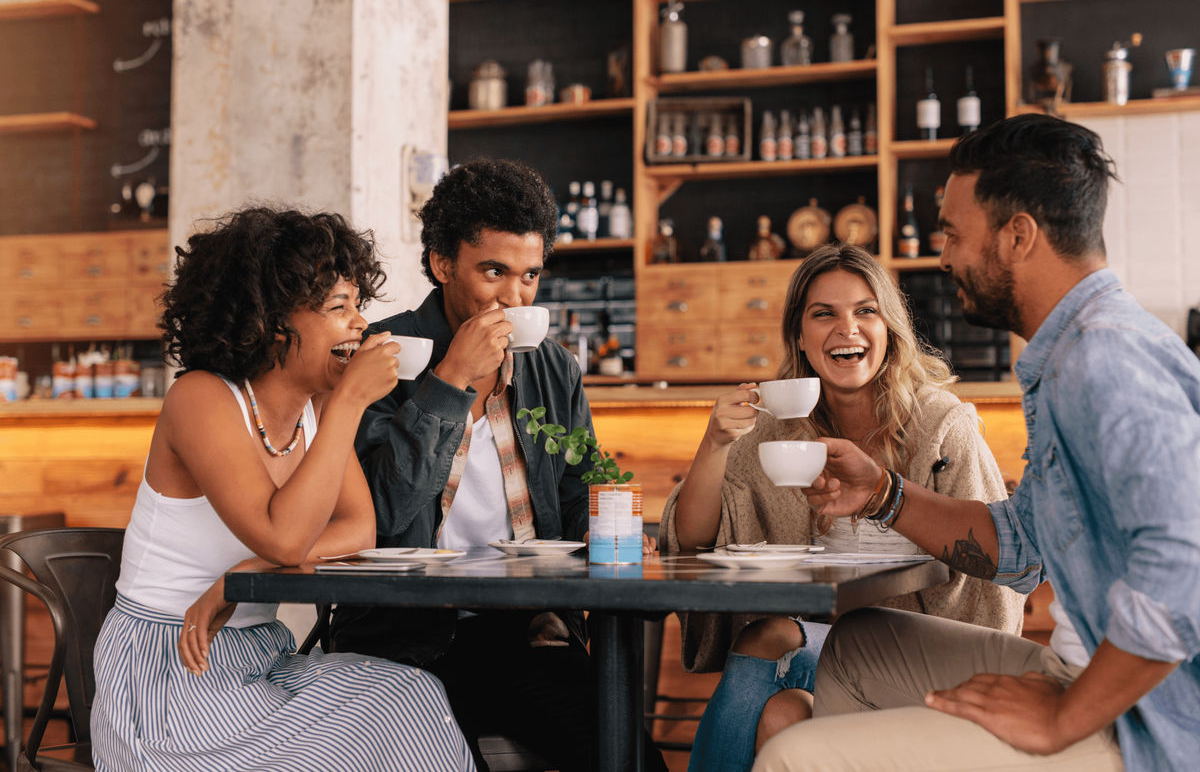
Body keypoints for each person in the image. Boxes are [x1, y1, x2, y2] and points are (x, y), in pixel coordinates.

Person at [755, 113, 1200, 772]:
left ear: (1017, 235)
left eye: (955, 234)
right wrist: (883, 493)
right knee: (857, 642)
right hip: (1093, 676)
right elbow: (1019, 549)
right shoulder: (1075, 349)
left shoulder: (1102, 360)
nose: (944, 256)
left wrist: (1061, 718)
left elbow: (1184, 565)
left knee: (792, 754)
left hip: (1147, 720)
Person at [90, 204, 474, 772]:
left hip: (259, 657)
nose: (360, 325)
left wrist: (240, 581)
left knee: (410, 696)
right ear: (271, 322)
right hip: (170, 672)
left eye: (358, 305)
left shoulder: (315, 407)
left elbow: (357, 529)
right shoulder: (200, 398)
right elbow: (286, 539)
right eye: (339, 308)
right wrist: (351, 400)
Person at [328, 158, 665, 772]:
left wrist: (600, 526)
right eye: (494, 272)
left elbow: (576, 491)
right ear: (441, 263)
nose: (515, 296)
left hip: (524, 634)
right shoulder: (384, 355)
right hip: (406, 639)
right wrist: (452, 378)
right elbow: (378, 514)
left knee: (629, 758)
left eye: (531, 275)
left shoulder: (553, 370)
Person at [661, 242, 1026, 772]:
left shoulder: (942, 426)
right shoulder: (777, 430)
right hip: (824, 656)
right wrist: (714, 443)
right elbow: (690, 539)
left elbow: (992, 574)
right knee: (785, 711)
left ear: (889, 329)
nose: (846, 328)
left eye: (865, 311)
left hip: (924, 657)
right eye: (823, 314)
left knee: (771, 639)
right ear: (801, 338)